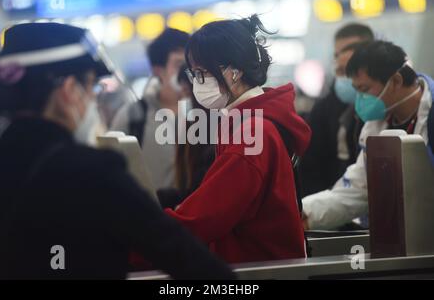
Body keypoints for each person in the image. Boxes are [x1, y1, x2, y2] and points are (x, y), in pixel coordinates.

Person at [0, 23, 234, 280]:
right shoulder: (91, 172)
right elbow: (185, 258)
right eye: (92, 87)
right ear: (69, 91)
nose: (94, 101)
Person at [165, 15, 312, 264]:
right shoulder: (250, 122)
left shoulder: (252, 135)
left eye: (203, 73)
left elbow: (205, 217)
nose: (197, 84)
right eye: (194, 74)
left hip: (256, 271)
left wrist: (142, 238)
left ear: (235, 71)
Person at [303, 40, 434, 230]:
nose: (361, 99)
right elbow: (359, 188)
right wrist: (305, 211)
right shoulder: (376, 125)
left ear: (396, 81)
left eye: (365, 90)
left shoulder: (430, 116)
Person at [300, 23, 373, 197]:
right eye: (338, 56)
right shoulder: (324, 108)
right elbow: (311, 165)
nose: (346, 69)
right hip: (332, 204)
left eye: (352, 55)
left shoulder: (381, 107)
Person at [111, 28, 189, 190]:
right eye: (179, 64)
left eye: (191, 64)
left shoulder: (208, 113)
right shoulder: (133, 116)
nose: (187, 72)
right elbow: (112, 170)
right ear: (158, 70)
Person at [157, 65, 215, 209]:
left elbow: (200, 196)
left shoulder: (215, 142)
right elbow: (188, 192)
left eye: (186, 91)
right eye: (181, 92)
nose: (183, 99)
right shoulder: (190, 131)